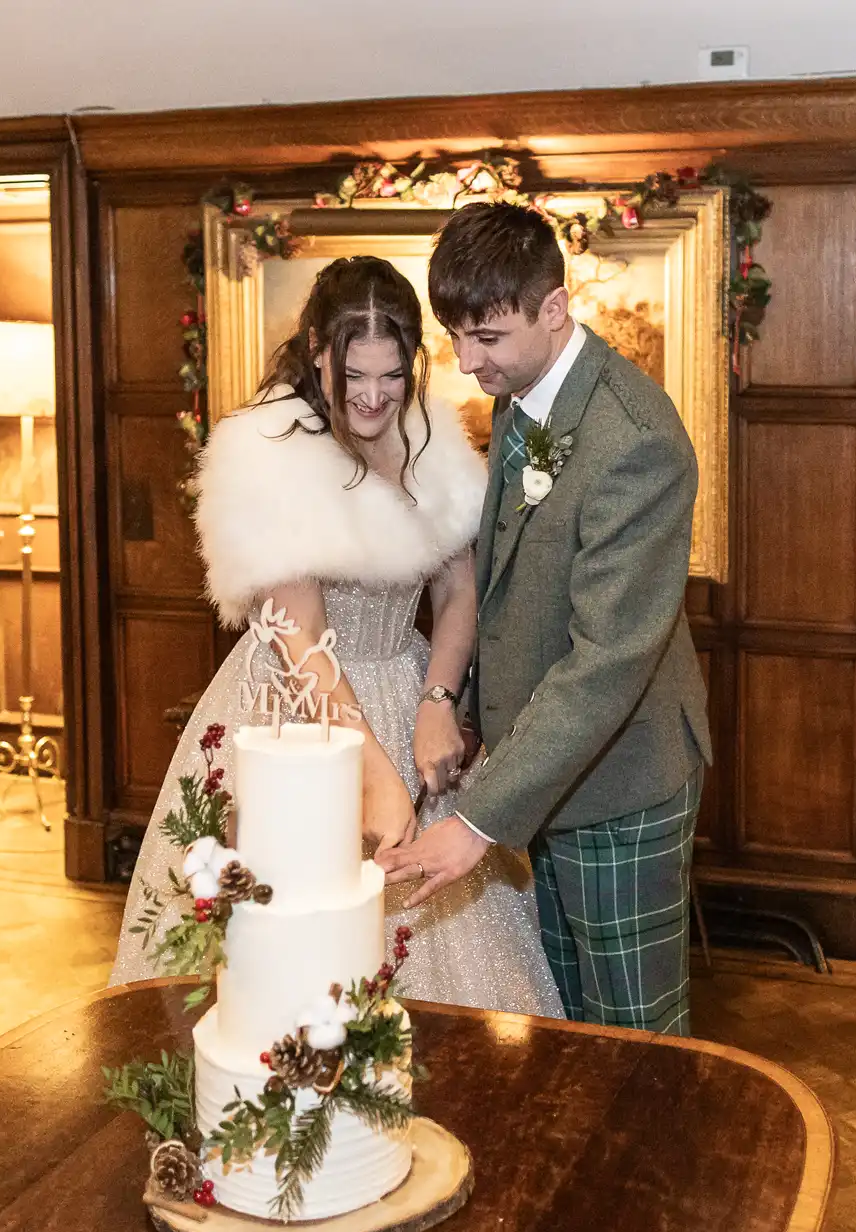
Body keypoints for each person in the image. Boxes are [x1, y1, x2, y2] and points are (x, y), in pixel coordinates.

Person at [107, 255, 563, 1020]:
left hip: (406, 688)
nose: (375, 397)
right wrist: (375, 772)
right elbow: (299, 632)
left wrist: (438, 698)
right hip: (293, 713)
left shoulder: (430, 437)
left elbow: (458, 588)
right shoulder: (271, 448)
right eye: (355, 374)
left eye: (393, 375)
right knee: (289, 964)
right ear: (318, 347)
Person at [378, 203, 711, 1035]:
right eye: (456, 336)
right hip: (546, 773)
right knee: (567, 1025)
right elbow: (508, 592)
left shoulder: (635, 440)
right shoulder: (523, 394)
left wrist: (480, 818)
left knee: (636, 1040)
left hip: (622, 782)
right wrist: (463, 709)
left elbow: (607, 661)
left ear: (554, 309)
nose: (466, 361)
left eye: (486, 337)